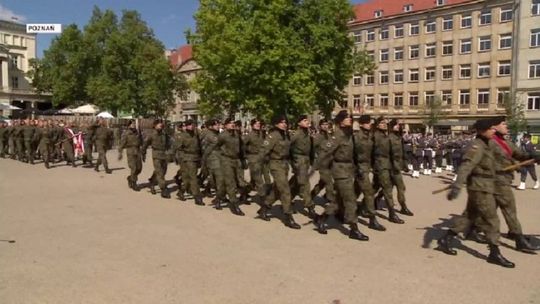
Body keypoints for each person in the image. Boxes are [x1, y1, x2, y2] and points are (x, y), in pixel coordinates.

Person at [437, 118, 515, 268]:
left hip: (486, 185)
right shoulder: (476, 146)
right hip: (479, 187)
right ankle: (494, 253)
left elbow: (505, 156)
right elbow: (466, 167)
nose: (494, 131)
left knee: (469, 217)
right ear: (482, 130)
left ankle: (445, 239)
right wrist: (457, 186)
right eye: (491, 129)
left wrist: (529, 156)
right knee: (492, 220)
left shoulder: (489, 143)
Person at [487, 117, 540, 253]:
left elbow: (519, 154)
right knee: (509, 208)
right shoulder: (489, 142)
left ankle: (453, 234)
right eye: (503, 124)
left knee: (480, 210)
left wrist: (533, 156)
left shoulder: (505, 142)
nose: (507, 126)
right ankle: (518, 238)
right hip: (496, 180)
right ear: (494, 127)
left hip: (504, 179)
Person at [315, 110, 369, 240]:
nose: (349, 119)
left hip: (348, 170)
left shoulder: (348, 135)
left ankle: (322, 219)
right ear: (340, 121)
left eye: (350, 117)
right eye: (346, 118)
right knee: (350, 200)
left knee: (339, 200)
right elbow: (324, 152)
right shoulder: (337, 136)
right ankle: (354, 230)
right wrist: (321, 169)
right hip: (340, 171)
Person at [256, 115, 301, 229]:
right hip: (275, 164)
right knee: (285, 190)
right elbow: (263, 151)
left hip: (284, 165)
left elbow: (289, 152)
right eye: (281, 122)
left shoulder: (286, 136)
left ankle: (264, 208)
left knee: (277, 189)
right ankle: (288, 216)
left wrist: (293, 164)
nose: (284, 124)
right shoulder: (273, 136)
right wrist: (258, 166)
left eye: (285, 122)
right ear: (276, 124)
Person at [354, 114, 385, 231]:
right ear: (361, 124)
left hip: (367, 167)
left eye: (371, 123)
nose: (370, 124)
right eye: (367, 123)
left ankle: (340, 211)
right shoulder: (356, 137)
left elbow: (372, 153)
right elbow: (352, 155)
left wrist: (374, 166)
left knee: (353, 194)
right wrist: (356, 169)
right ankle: (372, 219)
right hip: (360, 169)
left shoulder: (370, 136)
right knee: (368, 193)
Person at [372, 117, 404, 224]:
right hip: (381, 166)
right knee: (387, 189)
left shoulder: (385, 135)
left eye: (385, 123)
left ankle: (363, 207)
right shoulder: (375, 136)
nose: (384, 124)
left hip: (388, 165)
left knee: (374, 188)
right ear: (377, 125)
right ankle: (392, 214)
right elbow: (370, 152)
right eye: (381, 123)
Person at [216, 118, 245, 216]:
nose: (232, 125)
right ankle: (234, 204)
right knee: (230, 182)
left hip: (236, 160)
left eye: (233, 123)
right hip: (226, 160)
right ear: (225, 125)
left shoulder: (237, 134)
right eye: (230, 123)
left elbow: (241, 148)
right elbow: (216, 147)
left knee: (232, 182)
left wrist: (243, 160)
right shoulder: (222, 135)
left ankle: (218, 198)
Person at [288, 114, 316, 218]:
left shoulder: (307, 134)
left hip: (306, 161)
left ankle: (286, 200)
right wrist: (292, 162)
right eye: (304, 120)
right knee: (304, 184)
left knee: (295, 183)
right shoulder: (296, 134)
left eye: (307, 120)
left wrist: (312, 161)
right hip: (299, 161)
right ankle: (310, 207)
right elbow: (287, 147)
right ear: (299, 123)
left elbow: (311, 150)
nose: (307, 122)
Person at [175, 119, 204, 206]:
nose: (192, 126)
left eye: (193, 124)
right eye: (190, 125)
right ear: (186, 126)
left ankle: (181, 191)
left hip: (196, 158)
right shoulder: (182, 136)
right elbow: (177, 148)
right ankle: (197, 196)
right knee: (193, 177)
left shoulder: (196, 135)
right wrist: (179, 158)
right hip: (187, 158)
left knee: (187, 179)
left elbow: (199, 145)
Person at [388, 119, 414, 216]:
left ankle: (403, 206)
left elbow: (402, 153)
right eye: (396, 125)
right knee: (386, 188)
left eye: (399, 125)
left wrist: (405, 165)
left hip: (397, 167)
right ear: (391, 126)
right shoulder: (389, 138)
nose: (398, 126)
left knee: (400, 187)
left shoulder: (399, 138)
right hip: (390, 167)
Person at [142, 119, 171, 199]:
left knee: (163, 171)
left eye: (161, 124)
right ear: (154, 126)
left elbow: (168, 143)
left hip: (164, 154)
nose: (160, 125)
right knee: (160, 172)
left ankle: (152, 180)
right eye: (158, 124)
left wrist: (171, 152)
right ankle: (163, 189)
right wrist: (143, 153)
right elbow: (145, 144)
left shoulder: (164, 134)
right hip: (156, 154)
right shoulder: (151, 134)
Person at [243, 118, 267, 206]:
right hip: (253, 158)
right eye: (256, 124)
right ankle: (263, 200)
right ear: (252, 125)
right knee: (259, 180)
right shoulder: (249, 135)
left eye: (259, 123)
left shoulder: (261, 134)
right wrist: (245, 156)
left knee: (253, 181)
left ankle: (244, 194)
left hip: (261, 158)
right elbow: (242, 146)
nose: (258, 125)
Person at [118, 120, 143, 191]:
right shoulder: (126, 133)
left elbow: (141, 141)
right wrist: (120, 153)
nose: (134, 125)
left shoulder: (138, 132)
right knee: (133, 168)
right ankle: (134, 183)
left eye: (134, 124)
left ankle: (130, 178)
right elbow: (122, 144)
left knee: (139, 168)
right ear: (129, 125)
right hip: (130, 151)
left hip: (137, 151)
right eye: (132, 124)